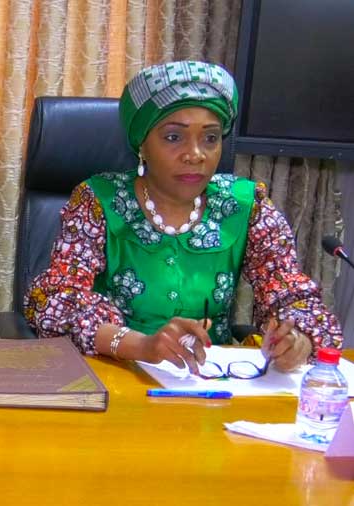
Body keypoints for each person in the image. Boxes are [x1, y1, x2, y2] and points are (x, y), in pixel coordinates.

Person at [24, 61, 342, 374]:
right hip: (116, 374)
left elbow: (290, 291)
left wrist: (296, 339)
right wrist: (142, 345)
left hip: (212, 380)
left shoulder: (246, 205)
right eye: (174, 137)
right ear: (142, 144)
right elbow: (55, 300)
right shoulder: (98, 201)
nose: (195, 154)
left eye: (210, 138)